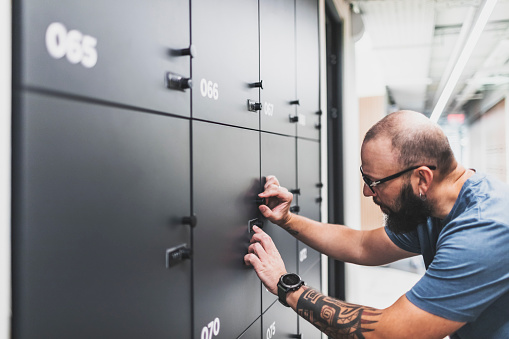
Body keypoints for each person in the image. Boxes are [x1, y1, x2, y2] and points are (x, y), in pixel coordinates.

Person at [244, 110, 509, 339]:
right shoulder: (432, 206)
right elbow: (362, 245)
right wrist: (287, 219)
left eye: (374, 182)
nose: (367, 192)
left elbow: (389, 333)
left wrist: (287, 287)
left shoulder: (484, 230)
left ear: (422, 179)